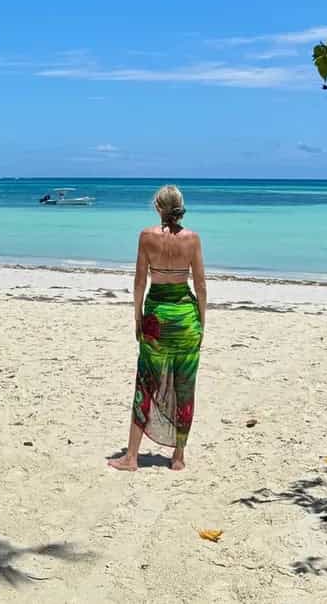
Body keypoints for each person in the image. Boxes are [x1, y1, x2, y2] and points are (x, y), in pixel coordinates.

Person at [108, 185, 206, 472]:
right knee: (185, 386)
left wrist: (137, 317)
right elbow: (200, 285)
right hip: (186, 319)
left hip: (156, 318)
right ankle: (178, 457)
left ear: (157, 207)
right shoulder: (192, 239)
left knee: (145, 384)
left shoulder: (146, 236)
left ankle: (131, 457)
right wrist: (201, 321)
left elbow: (140, 282)